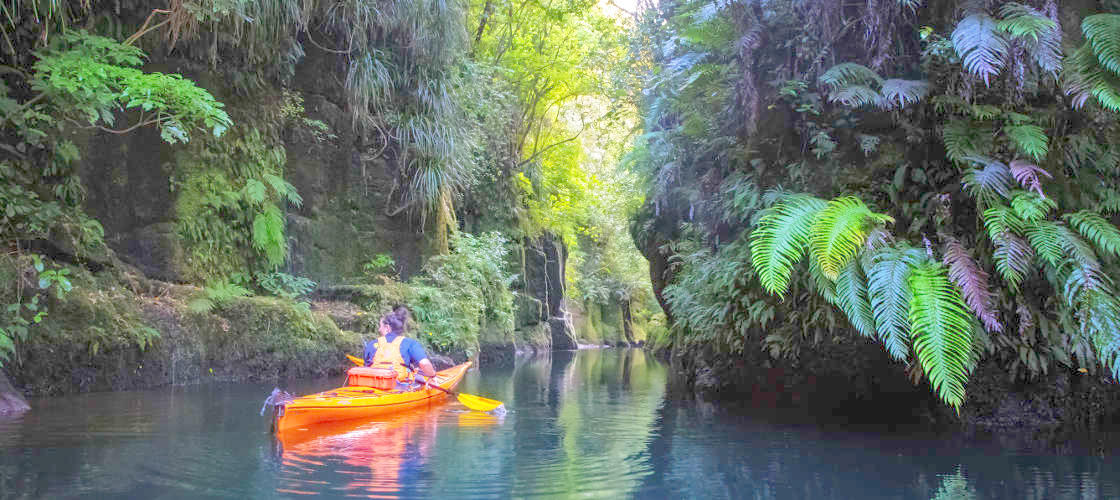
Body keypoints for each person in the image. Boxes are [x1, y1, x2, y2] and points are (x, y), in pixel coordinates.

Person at [364, 309, 436, 387]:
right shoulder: (410, 343)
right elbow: (424, 363)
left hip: (373, 385)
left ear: (387, 328)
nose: (379, 329)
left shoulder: (372, 344)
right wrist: (432, 376)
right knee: (420, 378)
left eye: (380, 326)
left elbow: (366, 366)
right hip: (399, 387)